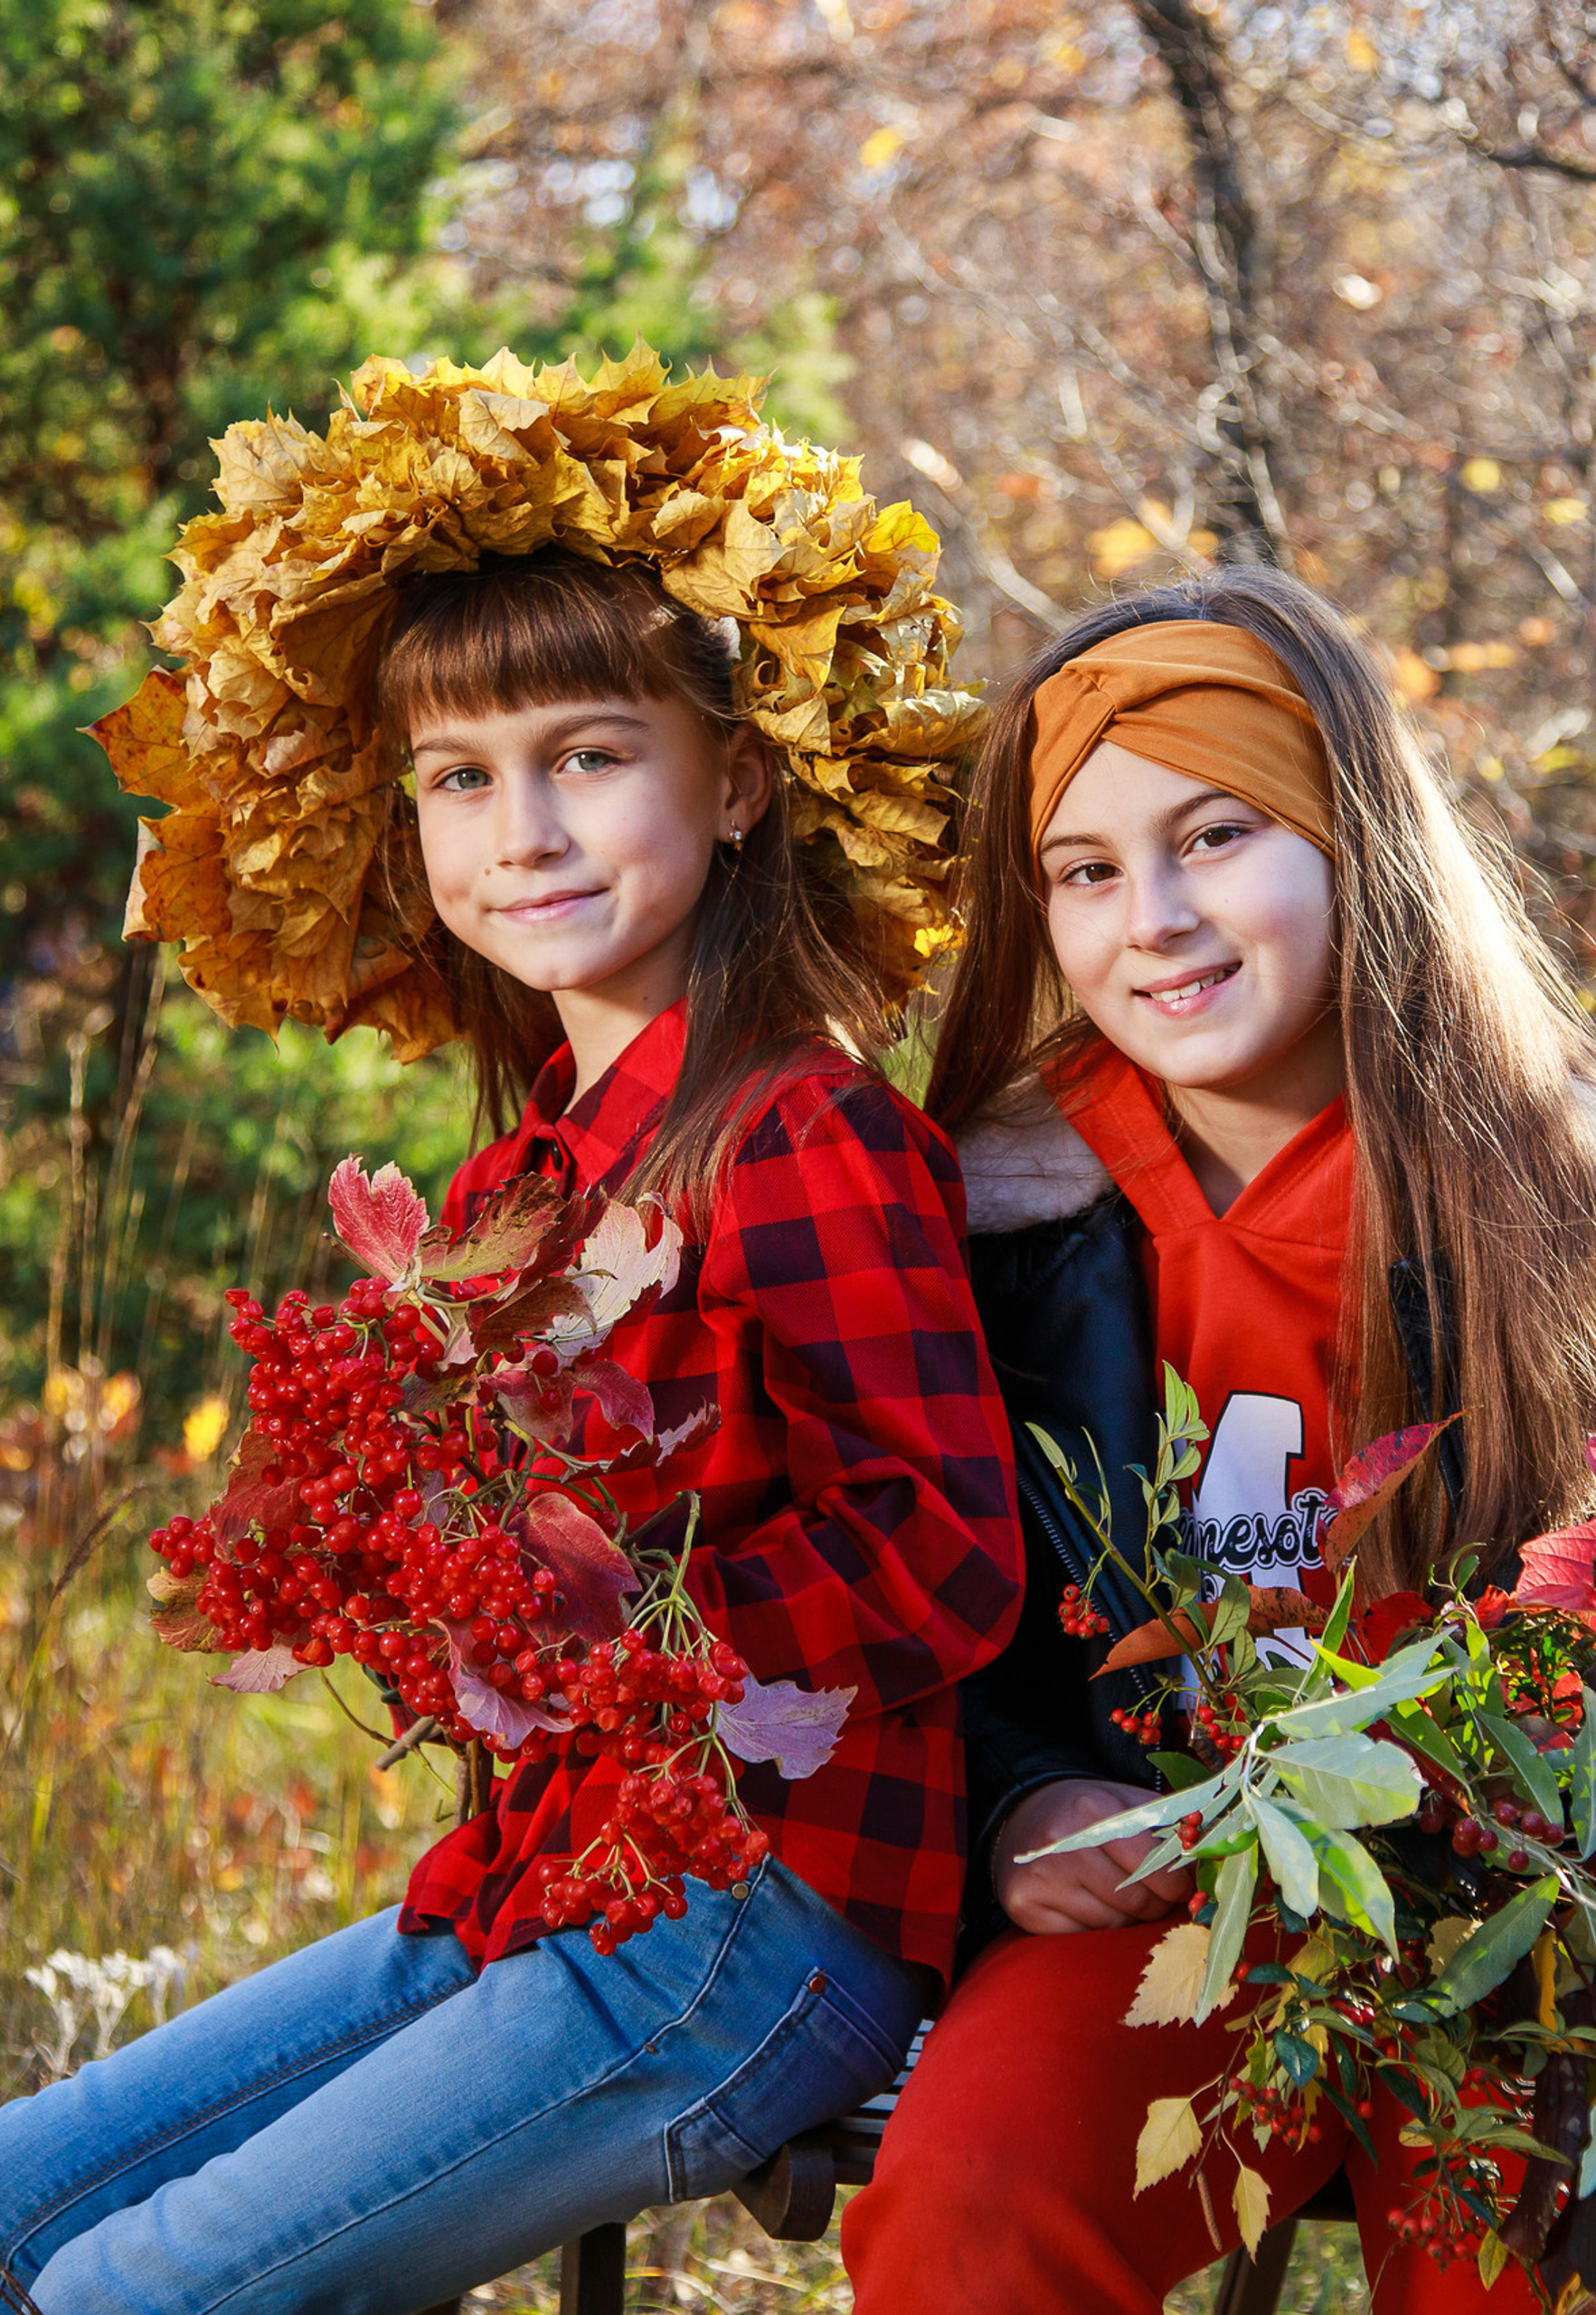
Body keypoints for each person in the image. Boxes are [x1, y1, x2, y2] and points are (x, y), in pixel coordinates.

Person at [5, 354, 1022, 2315]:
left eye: (585, 754)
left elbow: (946, 1546)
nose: (521, 829)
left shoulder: (796, 1135)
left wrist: (641, 1650)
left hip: (752, 1920)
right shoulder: (509, 1198)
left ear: (732, 781)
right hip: (547, 1886)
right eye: (460, 778)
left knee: (134, 2290)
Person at [841, 565, 1596, 2313]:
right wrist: (1019, 1799)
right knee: (970, 2208)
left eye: (1216, 836)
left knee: (1539, 2264)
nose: (1151, 918)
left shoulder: (1576, 1189)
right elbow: (915, 1584)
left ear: (1354, 839)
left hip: (1515, 1918)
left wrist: (1572, 1780)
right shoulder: (990, 1210)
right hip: (1171, 1906)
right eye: (1085, 871)